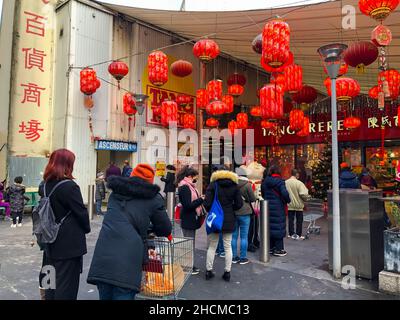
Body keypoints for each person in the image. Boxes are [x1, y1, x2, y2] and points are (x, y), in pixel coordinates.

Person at [87, 164, 172, 300]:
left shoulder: (115, 193)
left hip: (103, 261)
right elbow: (165, 228)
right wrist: (148, 228)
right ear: (150, 181)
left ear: (131, 176)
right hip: (127, 266)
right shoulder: (153, 199)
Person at [38, 149, 91, 300]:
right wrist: (86, 228)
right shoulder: (70, 187)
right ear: (68, 165)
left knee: (50, 284)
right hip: (68, 246)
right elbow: (81, 215)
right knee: (66, 287)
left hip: (48, 241)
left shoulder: (44, 185)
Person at [203, 167, 243, 282]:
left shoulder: (213, 185)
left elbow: (207, 203)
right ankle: (227, 272)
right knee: (227, 246)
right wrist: (230, 209)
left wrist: (213, 211)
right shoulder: (234, 185)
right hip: (229, 218)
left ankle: (208, 271)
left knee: (212, 246)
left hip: (216, 219)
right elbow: (239, 204)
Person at [176, 166, 204, 275]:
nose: (195, 179)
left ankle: (190, 265)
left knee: (190, 242)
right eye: (194, 176)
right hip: (188, 218)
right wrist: (201, 199)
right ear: (189, 176)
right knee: (189, 243)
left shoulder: (188, 186)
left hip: (190, 218)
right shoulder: (185, 187)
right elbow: (188, 205)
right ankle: (188, 267)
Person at [261, 166, 291, 257]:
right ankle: (278, 249)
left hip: (267, 207)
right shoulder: (280, 182)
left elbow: (263, 193)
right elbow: (285, 194)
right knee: (278, 227)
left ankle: (270, 248)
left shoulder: (265, 181)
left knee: (269, 226)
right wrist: (288, 200)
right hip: (278, 207)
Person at [232, 167, 256, 265]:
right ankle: (243, 258)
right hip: (245, 212)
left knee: (233, 236)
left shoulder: (232, 184)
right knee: (244, 237)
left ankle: (233, 257)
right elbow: (252, 199)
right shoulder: (247, 185)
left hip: (234, 212)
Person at [285, 169, 312, 240]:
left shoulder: (286, 182)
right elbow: (303, 194)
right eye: (298, 174)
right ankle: (298, 234)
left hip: (289, 204)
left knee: (290, 220)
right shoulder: (299, 183)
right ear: (296, 174)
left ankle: (291, 233)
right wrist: (307, 199)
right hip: (298, 205)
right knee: (299, 220)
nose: (299, 175)